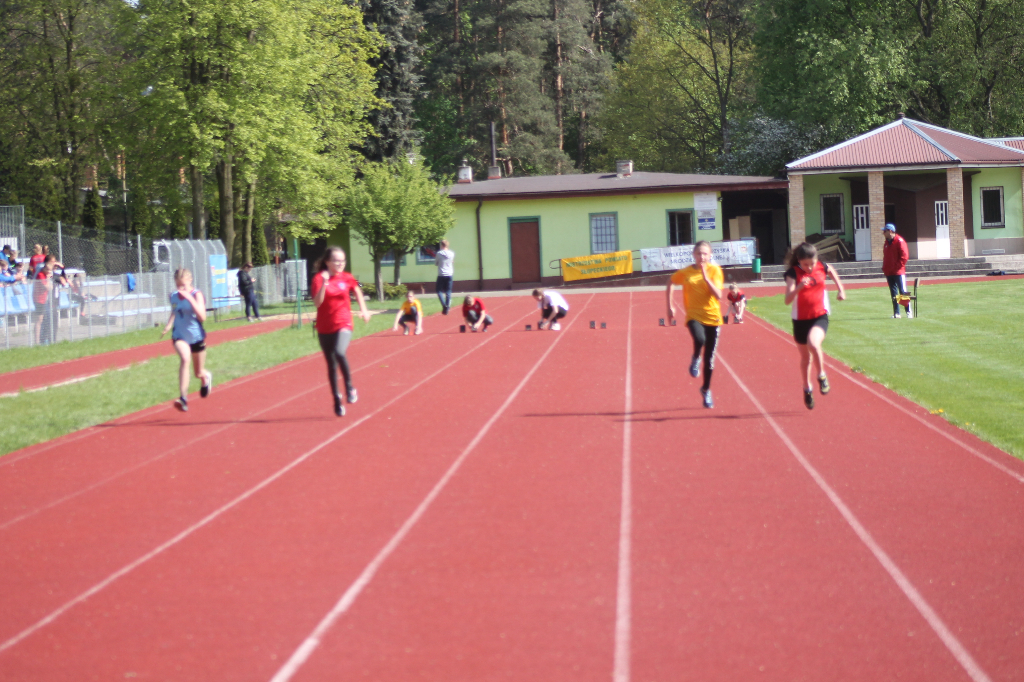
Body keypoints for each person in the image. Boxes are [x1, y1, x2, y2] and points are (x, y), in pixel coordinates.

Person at [783, 242, 847, 410]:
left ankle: (822, 375)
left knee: (814, 343)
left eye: (812, 263)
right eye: (805, 265)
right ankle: (807, 388)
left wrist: (841, 290)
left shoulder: (821, 267)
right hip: (800, 320)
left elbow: (831, 270)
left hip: (819, 316)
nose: (810, 268)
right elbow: (787, 300)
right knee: (805, 358)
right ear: (799, 261)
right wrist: (798, 287)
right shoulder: (792, 273)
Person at [312, 246, 371, 417]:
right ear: (327, 262)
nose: (340, 264)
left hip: (344, 322)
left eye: (342, 261)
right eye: (336, 261)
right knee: (331, 365)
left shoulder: (347, 277)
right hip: (324, 326)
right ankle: (337, 400)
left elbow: (357, 290)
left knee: (339, 352)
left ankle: (350, 387)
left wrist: (364, 309)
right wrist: (324, 283)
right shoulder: (318, 278)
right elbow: (317, 303)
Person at [667, 241, 725, 409]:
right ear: (693, 254)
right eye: (699, 253)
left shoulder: (715, 271)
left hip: (713, 318)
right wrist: (669, 306)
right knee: (700, 339)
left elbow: (719, 295)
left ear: (710, 255)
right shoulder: (686, 273)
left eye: (705, 254)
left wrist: (707, 278)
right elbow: (671, 282)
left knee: (710, 361)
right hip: (694, 316)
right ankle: (695, 358)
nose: (702, 257)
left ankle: (706, 389)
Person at [159, 268, 213, 413]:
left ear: (190, 281)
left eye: (183, 285)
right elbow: (175, 310)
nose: (180, 289)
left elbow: (202, 317)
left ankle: (205, 378)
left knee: (198, 372)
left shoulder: (197, 294)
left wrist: (189, 298)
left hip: (196, 337)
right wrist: (168, 325)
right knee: (184, 358)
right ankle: (183, 398)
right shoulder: (173, 296)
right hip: (180, 336)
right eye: (178, 285)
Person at [882, 223, 912, 319]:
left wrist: (897, 266)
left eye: (885, 231)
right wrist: (885, 267)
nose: (883, 233)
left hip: (898, 272)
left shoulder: (899, 241)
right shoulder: (886, 243)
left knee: (903, 291)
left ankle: (908, 311)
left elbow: (904, 257)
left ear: (890, 231)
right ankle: (896, 313)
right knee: (894, 294)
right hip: (889, 272)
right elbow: (886, 257)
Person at [434, 239, 455, 314]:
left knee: (439, 291)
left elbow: (436, 263)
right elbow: (451, 261)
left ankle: (444, 305)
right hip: (449, 274)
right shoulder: (452, 253)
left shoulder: (439, 253)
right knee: (448, 291)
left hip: (441, 274)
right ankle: (447, 307)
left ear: (442, 245)